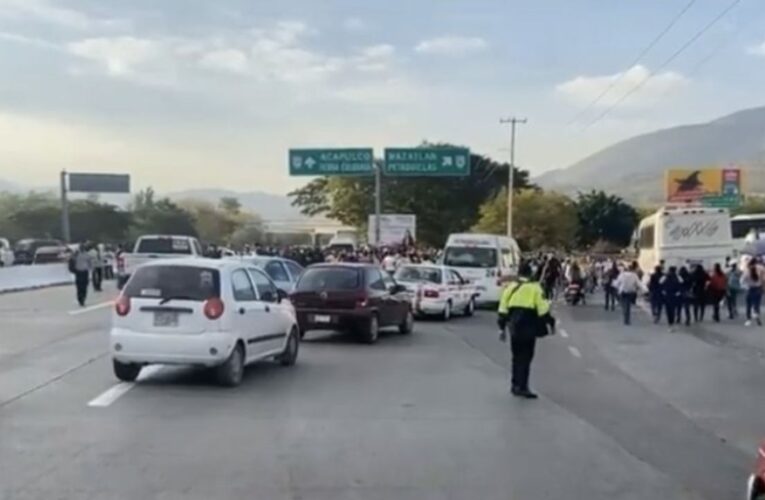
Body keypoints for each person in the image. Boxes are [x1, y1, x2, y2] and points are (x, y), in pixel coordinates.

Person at [497, 262, 555, 399]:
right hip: (529, 328)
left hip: (514, 328)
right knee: (526, 357)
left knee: (516, 357)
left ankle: (515, 384)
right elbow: (543, 310)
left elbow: (502, 310)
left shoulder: (510, 288)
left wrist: (501, 329)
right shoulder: (535, 288)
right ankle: (523, 387)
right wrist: (551, 324)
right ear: (530, 274)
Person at [613, 261, 646, 325]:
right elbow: (639, 284)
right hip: (631, 292)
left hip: (623, 292)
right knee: (628, 306)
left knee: (624, 305)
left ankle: (625, 317)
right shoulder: (634, 275)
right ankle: (627, 319)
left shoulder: (622, 275)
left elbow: (617, 283)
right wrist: (645, 290)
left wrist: (615, 285)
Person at [741, 260, 763, 326]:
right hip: (758, 288)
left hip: (750, 289)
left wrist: (745, 287)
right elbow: (762, 279)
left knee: (748, 305)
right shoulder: (759, 270)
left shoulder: (747, 272)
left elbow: (742, 281)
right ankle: (757, 316)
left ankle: (748, 319)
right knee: (757, 304)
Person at [660, 266, 682, 331]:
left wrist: (663, 292)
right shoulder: (678, 277)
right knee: (673, 309)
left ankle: (670, 324)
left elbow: (660, 284)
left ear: (669, 270)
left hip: (667, 295)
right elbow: (682, 285)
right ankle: (672, 323)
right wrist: (678, 293)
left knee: (668, 310)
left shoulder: (665, 276)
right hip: (675, 296)